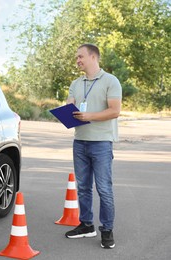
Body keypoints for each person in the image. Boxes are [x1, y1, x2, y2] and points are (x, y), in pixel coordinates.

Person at [65, 43, 122, 249]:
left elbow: (114, 111)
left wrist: (89, 116)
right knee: (83, 188)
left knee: (104, 189)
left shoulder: (110, 81)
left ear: (93, 57)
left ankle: (106, 230)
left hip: (101, 143)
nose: (78, 60)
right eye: (76, 58)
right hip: (80, 142)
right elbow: (70, 105)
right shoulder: (76, 83)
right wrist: (65, 112)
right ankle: (87, 225)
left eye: (80, 56)